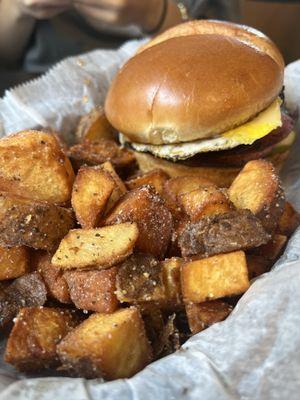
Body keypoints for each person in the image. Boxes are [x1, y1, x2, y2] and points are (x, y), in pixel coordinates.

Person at [0, 0, 234, 74]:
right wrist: (18, 8)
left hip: (179, 77)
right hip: (34, 94)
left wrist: (155, 13)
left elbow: (222, 56)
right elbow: (6, 60)